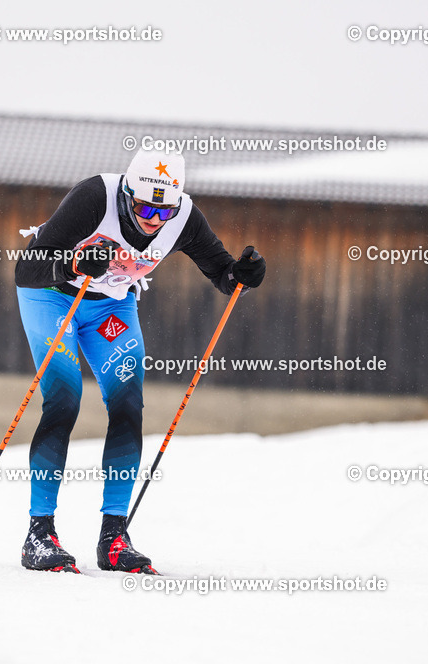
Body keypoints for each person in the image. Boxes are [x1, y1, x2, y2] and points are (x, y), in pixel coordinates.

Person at [14, 150, 266, 573]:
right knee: (64, 398)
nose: (153, 218)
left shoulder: (183, 217)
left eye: (163, 209)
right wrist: (74, 262)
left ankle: (114, 537)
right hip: (52, 297)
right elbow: (28, 268)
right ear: (128, 193)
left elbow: (223, 274)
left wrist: (243, 275)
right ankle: (39, 534)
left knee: (128, 404)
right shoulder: (95, 197)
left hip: (110, 309)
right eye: (145, 206)